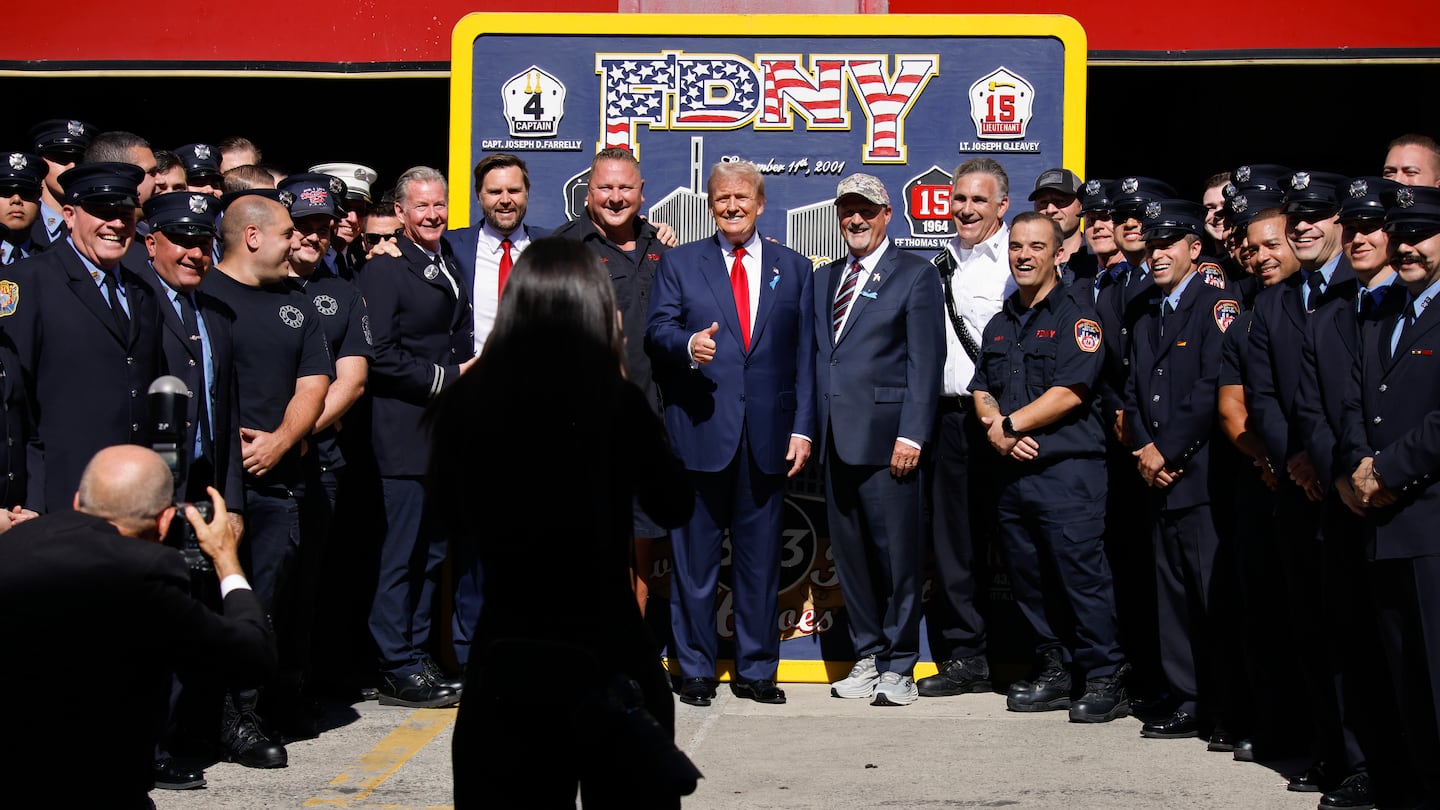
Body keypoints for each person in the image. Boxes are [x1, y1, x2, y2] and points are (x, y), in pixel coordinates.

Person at [432, 237, 697, 809]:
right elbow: (674, 503)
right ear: (598, 308)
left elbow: (444, 514)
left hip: (506, 649)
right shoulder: (615, 400)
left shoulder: (466, 401)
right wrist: (624, 380)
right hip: (606, 642)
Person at [0, 445, 275, 808]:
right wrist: (226, 559)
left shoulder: (13, 544)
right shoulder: (147, 569)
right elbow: (251, 656)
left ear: (78, 499)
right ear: (163, 522)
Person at [644, 159, 815, 707]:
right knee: (693, 565)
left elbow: (806, 359)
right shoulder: (681, 263)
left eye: (743, 197)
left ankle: (757, 670)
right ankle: (693, 669)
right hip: (699, 431)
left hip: (768, 438)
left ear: (761, 205)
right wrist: (687, 345)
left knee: (761, 563)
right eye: (722, 199)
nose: (733, 206)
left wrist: (804, 429)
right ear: (710, 206)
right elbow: (657, 330)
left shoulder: (794, 268)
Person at [970, 210, 1128, 723]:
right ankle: (1054, 670)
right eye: (1016, 246)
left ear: (1060, 253)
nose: (1023, 255)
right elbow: (981, 389)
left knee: (1081, 577)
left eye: (1036, 246)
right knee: (1030, 580)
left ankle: (1107, 676)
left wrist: (1008, 426)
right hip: (1013, 475)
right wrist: (998, 428)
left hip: (1069, 474)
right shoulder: (1001, 319)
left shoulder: (1077, 317)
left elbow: (1070, 392)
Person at [199, 188, 332, 767]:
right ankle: (197, 718)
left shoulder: (297, 305)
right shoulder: (200, 297)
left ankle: (244, 716)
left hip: (279, 481)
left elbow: (315, 384)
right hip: (212, 484)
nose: (296, 243)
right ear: (252, 236)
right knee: (208, 602)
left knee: (266, 601)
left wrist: (281, 440)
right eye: (286, 233)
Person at [818, 173, 944, 706]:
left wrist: (912, 433)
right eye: (847, 209)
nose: (856, 219)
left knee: (898, 560)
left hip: (890, 442)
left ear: (887, 213)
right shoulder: (825, 277)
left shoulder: (915, 275)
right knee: (851, 559)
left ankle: (899, 663)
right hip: (835, 442)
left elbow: (925, 361)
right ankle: (868, 654)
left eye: (866, 209)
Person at [356, 166, 473, 707]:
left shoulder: (445, 255)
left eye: (439, 205)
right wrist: (446, 379)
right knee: (401, 554)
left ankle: (418, 654)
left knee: (432, 552)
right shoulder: (384, 270)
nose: (432, 215)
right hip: (402, 432)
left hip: (442, 436)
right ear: (399, 212)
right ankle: (394, 665)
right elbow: (377, 353)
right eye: (421, 207)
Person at [1124, 199, 1240, 741]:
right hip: (1156, 476)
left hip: (1197, 476)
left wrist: (1166, 452)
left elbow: (1210, 388)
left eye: (1168, 244)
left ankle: (1224, 704)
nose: (1157, 254)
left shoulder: (1217, 304)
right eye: (1151, 245)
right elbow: (1134, 392)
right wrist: (1145, 450)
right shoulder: (1147, 310)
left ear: (1195, 249)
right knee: (1170, 599)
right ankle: (1187, 698)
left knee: (1210, 598)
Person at [1345, 184, 1440, 809]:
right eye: (1399, 237)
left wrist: (1388, 471)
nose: (1407, 247)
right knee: (1399, 673)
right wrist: (1358, 465)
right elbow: (1357, 396)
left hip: (1430, 523)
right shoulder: (1381, 313)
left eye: (1421, 236)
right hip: (1381, 522)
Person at [0, 161, 165, 513]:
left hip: (132, 496)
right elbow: (15, 403)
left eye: (125, 213)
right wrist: (29, 499)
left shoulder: (143, 293)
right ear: (70, 216)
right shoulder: (28, 282)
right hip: (57, 495)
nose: (117, 224)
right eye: (103, 212)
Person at [553, 148, 674, 615]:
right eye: (606, 187)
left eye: (626, 187)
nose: (616, 197)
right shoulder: (562, 249)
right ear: (588, 194)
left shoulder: (664, 248)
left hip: (651, 421)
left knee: (643, 543)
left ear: (642, 194)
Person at [916, 158, 1012, 699]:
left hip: (1007, 419)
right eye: (959, 199)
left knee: (1020, 539)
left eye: (979, 200)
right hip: (949, 419)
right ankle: (966, 657)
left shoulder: (1017, 260)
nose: (966, 209)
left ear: (1002, 204)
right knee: (953, 544)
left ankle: (1046, 657)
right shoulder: (937, 263)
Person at [444, 153, 548, 357]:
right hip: (473, 379)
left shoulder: (552, 245)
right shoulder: (449, 246)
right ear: (478, 195)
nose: (506, 200)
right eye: (494, 192)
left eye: (514, 190)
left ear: (527, 193)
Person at [26, 118, 95, 251]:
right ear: (40, 164)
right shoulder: (20, 220)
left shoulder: (100, 222)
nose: (72, 167)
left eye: (80, 160)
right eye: (61, 158)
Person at [1028, 167, 1097, 284]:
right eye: (1043, 203)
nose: (1050, 210)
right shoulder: (1025, 259)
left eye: (1060, 201)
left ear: (1081, 205)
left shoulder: (1098, 257)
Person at [1, 150, 46, 266]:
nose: (16, 200)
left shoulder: (54, 265)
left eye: (27, 193)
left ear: (39, 207)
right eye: (6, 192)